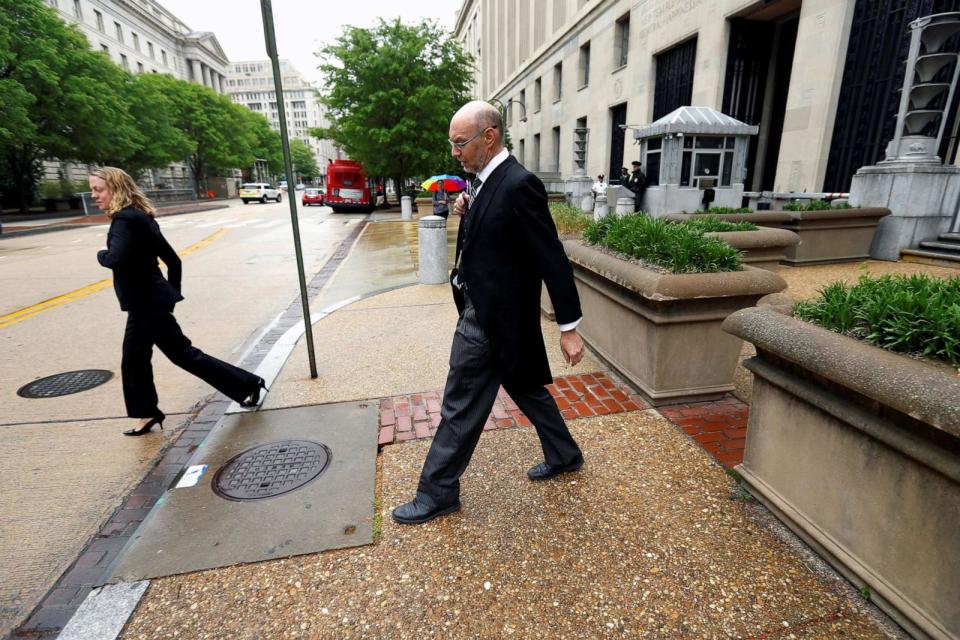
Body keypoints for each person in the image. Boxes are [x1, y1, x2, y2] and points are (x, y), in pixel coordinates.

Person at [392, 101, 586, 525]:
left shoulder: (520, 185)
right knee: (525, 387)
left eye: (460, 143)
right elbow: (493, 240)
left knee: (459, 404)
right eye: (453, 143)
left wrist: (569, 327)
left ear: (489, 137)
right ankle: (565, 454)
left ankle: (437, 492)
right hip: (492, 312)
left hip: (490, 320)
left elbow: (551, 258)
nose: (455, 152)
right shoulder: (481, 182)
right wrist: (469, 210)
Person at [92, 167, 266, 436]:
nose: (94, 195)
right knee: (134, 359)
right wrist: (170, 296)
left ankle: (248, 384)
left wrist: (100, 255)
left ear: (116, 189)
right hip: (147, 304)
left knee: (183, 355)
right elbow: (173, 261)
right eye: (93, 190)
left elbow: (115, 259)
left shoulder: (125, 220)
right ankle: (147, 413)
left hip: (146, 304)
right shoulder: (141, 217)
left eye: (98, 189)